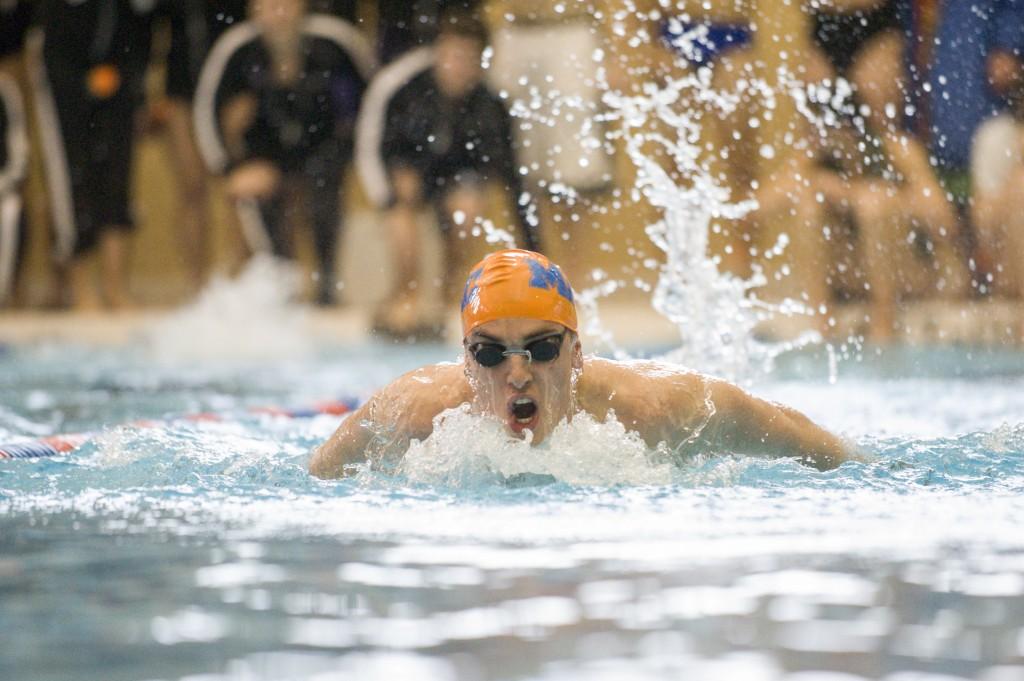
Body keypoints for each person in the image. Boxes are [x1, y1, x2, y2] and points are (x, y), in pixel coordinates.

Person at [309, 249, 852, 479]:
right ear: (467, 364)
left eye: (542, 348)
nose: (516, 373)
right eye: (491, 353)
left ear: (576, 354)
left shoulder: (656, 408)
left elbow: (820, 450)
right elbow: (312, 481)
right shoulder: (410, 411)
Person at [362, 10, 540, 336]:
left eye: (467, 58)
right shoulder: (403, 88)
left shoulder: (490, 106)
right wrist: (389, 192)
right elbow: (374, 147)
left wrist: (536, 254)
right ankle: (406, 295)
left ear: (481, 61)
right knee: (401, 220)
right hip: (408, 175)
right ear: (437, 54)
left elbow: (515, 182)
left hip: (457, 180)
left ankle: (447, 296)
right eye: (451, 56)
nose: (458, 66)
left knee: (466, 209)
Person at [194, 0, 371, 305]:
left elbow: (373, 100)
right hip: (265, 157)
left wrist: (354, 153)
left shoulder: (335, 42)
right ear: (253, 10)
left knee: (323, 191)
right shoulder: (237, 50)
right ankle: (278, 280)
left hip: (323, 150)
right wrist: (230, 168)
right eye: (268, 5)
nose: (278, 14)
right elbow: (207, 113)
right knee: (257, 197)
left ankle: (326, 284)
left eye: (286, 4)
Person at [27, 0, 157, 310]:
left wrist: (133, 87)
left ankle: (115, 287)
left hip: (118, 83)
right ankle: (81, 290)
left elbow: (142, 32)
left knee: (117, 182)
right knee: (73, 184)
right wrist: (82, 83)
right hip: (64, 86)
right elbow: (46, 39)